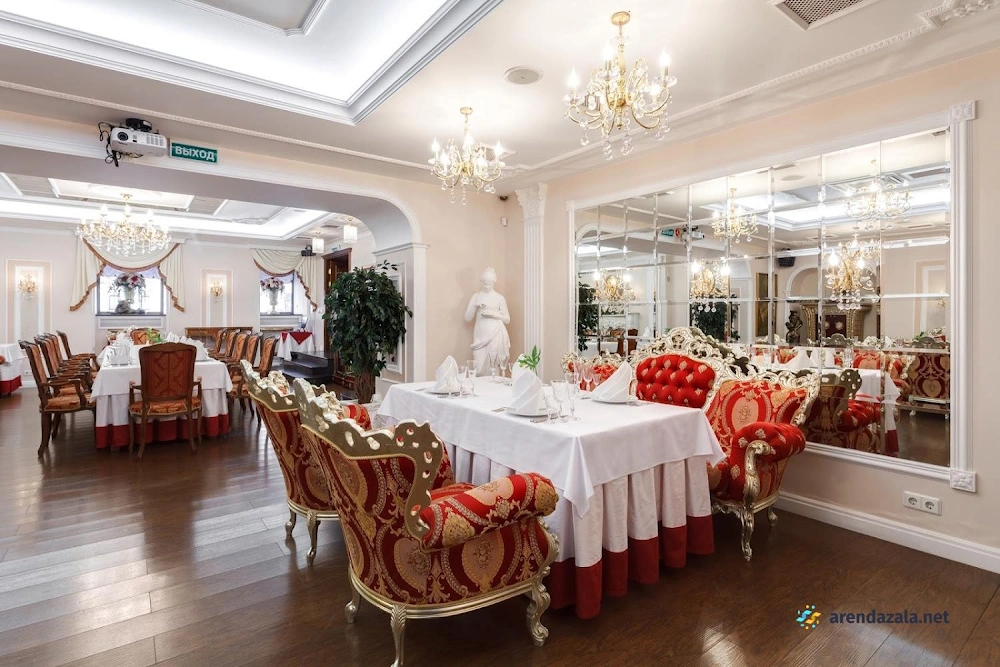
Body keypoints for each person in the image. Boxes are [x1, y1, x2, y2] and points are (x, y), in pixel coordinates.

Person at [464, 268, 511, 375]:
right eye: (485, 284)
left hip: (495, 334)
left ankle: (493, 385)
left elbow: (507, 319)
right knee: (478, 369)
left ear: (494, 281)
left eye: (490, 284)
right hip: (479, 337)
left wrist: (493, 315)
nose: (487, 287)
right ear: (481, 281)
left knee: (493, 368)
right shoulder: (476, 297)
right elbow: (467, 318)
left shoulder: (499, 298)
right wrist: (475, 305)